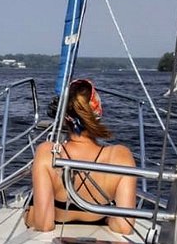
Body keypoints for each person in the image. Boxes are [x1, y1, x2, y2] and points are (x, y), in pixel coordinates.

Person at [24, 78, 137, 235]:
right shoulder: (120, 156)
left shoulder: (48, 152)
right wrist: (109, 218)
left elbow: (44, 224)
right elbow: (124, 227)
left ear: (64, 115)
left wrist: (28, 215)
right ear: (97, 114)